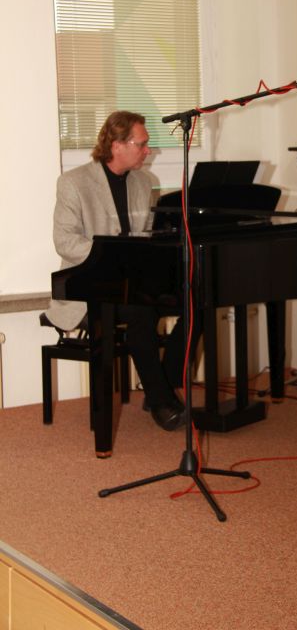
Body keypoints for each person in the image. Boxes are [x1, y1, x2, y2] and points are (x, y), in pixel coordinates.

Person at [46, 110, 199, 432]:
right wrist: (110, 256)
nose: (148, 150)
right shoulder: (73, 182)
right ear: (116, 145)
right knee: (142, 310)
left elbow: (147, 236)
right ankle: (161, 401)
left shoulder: (145, 182)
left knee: (196, 302)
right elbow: (65, 241)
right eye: (141, 144)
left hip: (133, 284)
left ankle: (164, 381)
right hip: (88, 288)